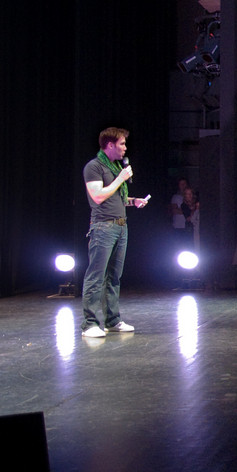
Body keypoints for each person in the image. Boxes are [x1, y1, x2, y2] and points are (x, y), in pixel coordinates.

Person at [81, 127, 149, 338]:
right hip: (103, 227)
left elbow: (114, 198)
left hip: (120, 226)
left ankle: (112, 320)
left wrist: (133, 201)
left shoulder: (115, 166)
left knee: (114, 277)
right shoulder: (94, 167)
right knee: (96, 276)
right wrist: (120, 178)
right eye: (122, 144)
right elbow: (98, 197)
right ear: (109, 145)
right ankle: (90, 324)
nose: (125, 148)